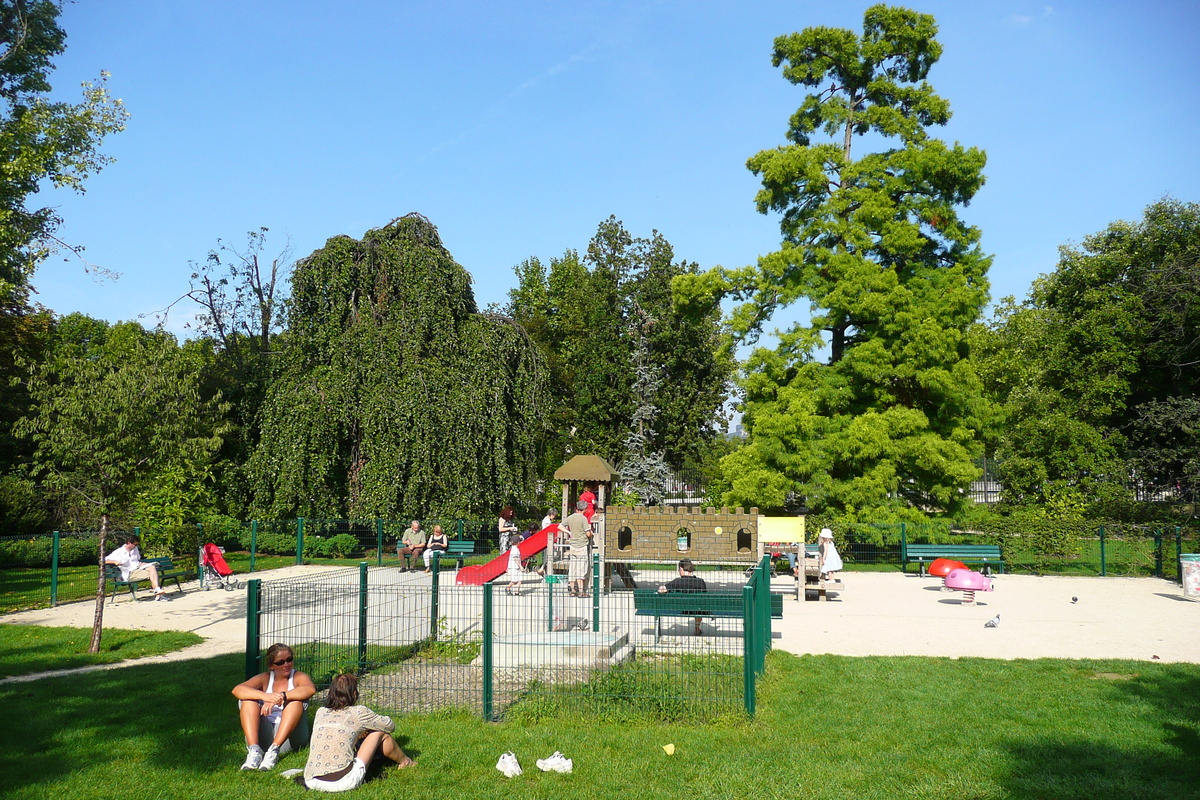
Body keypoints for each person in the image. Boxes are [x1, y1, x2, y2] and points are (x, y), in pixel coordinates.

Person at [302, 672, 414, 791]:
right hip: (342, 782)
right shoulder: (359, 712)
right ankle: (406, 761)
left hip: (311, 780)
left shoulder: (321, 712)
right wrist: (367, 727)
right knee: (380, 733)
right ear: (354, 694)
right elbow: (389, 725)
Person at [232, 642, 317, 770]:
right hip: (265, 734)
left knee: (295, 702)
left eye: (289, 660)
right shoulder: (265, 678)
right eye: (280, 662)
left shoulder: (298, 677)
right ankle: (254, 751)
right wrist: (266, 696)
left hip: (290, 737)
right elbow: (237, 690)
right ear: (271, 665)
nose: (286, 665)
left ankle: (273, 751)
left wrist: (283, 696)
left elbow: (310, 689)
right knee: (247, 700)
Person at [104, 534, 166, 600]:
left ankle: (157, 591)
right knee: (153, 574)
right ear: (128, 543)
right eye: (135, 544)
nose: (136, 546)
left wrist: (142, 564)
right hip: (130, 572)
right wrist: (114, 562)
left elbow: (136, 560)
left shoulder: (135, 549)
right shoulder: (119, 552)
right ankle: (158, 594)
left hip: (138, 567)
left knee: (152, 568)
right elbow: (104, 560)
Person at [657, 558, 708, 635]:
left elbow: (661, 590)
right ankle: (697, 629)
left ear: (681, 569)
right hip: (698, 609)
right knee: (699, 607)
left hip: (684, 609)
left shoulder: (677, 582)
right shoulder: (700, 581)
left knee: (696, 606)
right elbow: (706, 597)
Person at [565, 499, 593, 597]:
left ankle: (573, 590)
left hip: (573, 546)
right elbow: (588, 534)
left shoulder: (570, 517)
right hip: (581, 546)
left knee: (573, 568)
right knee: (581, 569)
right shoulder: (583, 518)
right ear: (584, 509)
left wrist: (569, 532)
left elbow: (560, 526)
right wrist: (591, 532)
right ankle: (581, 591)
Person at [504, 529, 526, 595]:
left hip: (517, 567)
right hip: (514, 567)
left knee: (520, 580)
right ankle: (507, 588)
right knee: (514, 581)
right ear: (518, 542)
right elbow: (516, 559)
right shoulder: (514, 550)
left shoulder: (515, 549)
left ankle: (517, 591)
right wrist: (521, 566)